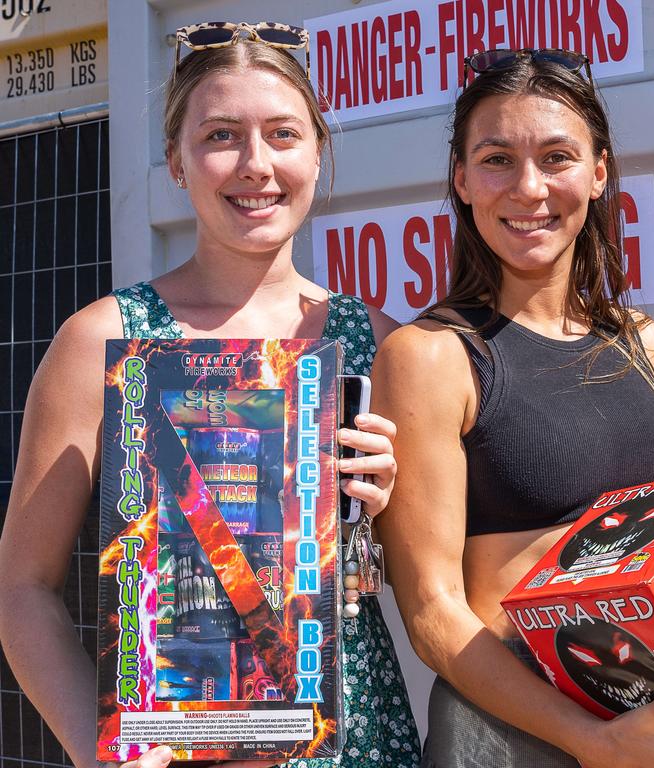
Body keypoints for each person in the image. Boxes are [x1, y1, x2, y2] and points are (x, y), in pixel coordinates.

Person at [0, 23, 420, 768]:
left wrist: (387, 514)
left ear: (317, 153)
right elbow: (22, 589)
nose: (255, 164)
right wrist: (104, 754)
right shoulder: (102, 338)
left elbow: (424, 588)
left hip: (359, 745)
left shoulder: (380, 343)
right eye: (222, 135)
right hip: (177, 751)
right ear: (176, 163)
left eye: (283, 134)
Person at [372, 49, 654, 768]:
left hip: (643, 722)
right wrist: (590, 741)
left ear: (599, 171)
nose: (529, 189)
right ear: (461, 179)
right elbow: (433, 614)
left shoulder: (643, 342)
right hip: (509, 734)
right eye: (497, 160)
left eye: (557, 156)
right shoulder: (431, 356)